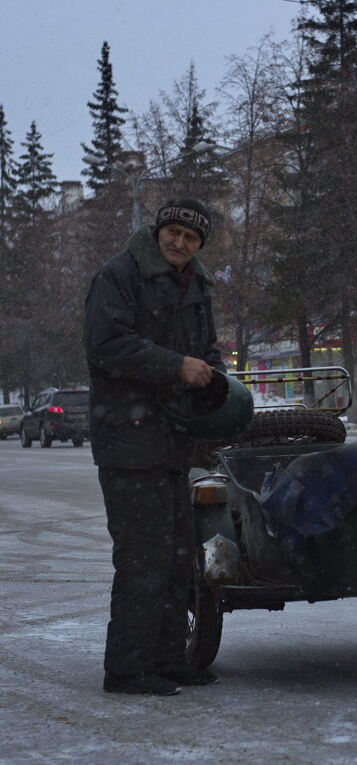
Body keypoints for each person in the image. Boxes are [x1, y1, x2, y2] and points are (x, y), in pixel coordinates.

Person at [84, 197, 225, 696]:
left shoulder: (197, 285)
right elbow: (107, 345)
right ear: (158, 230)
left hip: (173, 443)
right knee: (143, 558)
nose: (180, 243)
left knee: (176, 558)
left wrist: (215, 378)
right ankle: (126, 669)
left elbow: (206, 349)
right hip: (129, 441)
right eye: (174, 233)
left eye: (191, 239)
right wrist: (175, 366)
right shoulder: (120, 274)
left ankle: (168, 660)